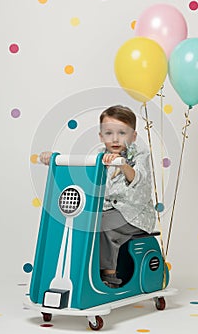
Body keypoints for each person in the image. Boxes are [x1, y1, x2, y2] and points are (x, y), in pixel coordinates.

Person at [39, 105, 156, 288]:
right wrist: (54, 159)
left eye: (122, 133)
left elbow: (139, 180)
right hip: (107, 211)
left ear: (133, 136)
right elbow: (80, 173)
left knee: (103, 226)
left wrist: (124, 165)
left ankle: (109, 276)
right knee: (82, 222)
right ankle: (77, 269)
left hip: (135, 213)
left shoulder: (140, 155)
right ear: (101, 136)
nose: (115, 139)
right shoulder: (100, 156)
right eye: (109, 133)